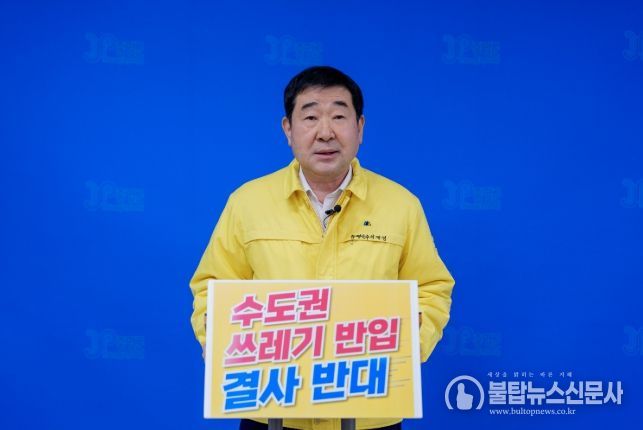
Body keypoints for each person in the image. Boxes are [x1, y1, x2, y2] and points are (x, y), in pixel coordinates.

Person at [190, 66, 455, 430]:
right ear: (288, 129)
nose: (325, 132)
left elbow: (432, 288)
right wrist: (221, 342)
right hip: (271, 410)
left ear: (360, 128)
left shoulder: (401, 205)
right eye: (311, 117)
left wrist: (407, 346)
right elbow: (213, 288)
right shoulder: (247, 203)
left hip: (370, 410)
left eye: (339, 117)